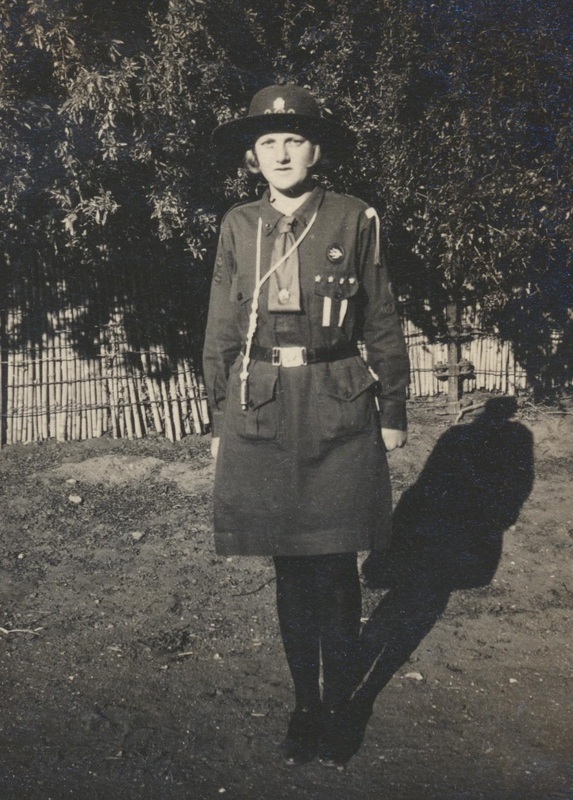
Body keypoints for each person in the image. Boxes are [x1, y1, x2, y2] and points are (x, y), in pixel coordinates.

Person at [203, 84, 410, 768]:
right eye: (268, 141)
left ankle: (341, 706)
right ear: (253, 155)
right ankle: (305, 705)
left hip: (337, 401)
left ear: (316, 150)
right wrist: (219, 413)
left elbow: (381, 316)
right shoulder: (238, 224)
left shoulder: (353, 217)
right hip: (261, 402)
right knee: (290, 566)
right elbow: (221, 326)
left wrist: (393, 407)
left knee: (336, 561)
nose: (281, 152)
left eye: (294, 139)